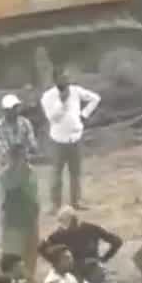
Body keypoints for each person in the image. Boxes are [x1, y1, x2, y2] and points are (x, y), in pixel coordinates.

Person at [40, 69, 101, 211]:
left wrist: (84, 114)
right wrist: (61, 103)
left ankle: (76, 202)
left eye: (67, 78)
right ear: (56, 80)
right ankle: (55, 205)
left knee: (76, 173)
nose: (67, 82)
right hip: (58, 141)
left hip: (75, 139)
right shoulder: (48, 97)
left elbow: (95, 98)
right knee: (56, 174)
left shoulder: (75, 91)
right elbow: (52, 118)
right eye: (63, 79)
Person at [39, 207, 122, 280]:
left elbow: (41, 248)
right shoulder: (92, 228)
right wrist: (103, 259)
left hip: (80, 271)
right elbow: (117, 241)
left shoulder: (60, 234)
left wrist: (104, 259)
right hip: (89, 269)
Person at [0, 142, 40, 283]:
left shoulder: (31, 171)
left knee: (31, 256)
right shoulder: (5, 175)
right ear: (12, 157)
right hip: (13, 223)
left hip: (30, 220)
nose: (22, 159)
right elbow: (11, 189)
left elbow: (34, 196)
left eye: (24, 155)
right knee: (14, 258)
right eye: (18, 156)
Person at [0, 94, 39, 167]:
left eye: (16, 107)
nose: (14, 111)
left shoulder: (25, 122)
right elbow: (3, 148)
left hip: (25, 160)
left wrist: (31, 149)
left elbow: (32, 143)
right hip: (7, 163)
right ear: (5, 110)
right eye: (11, 108)